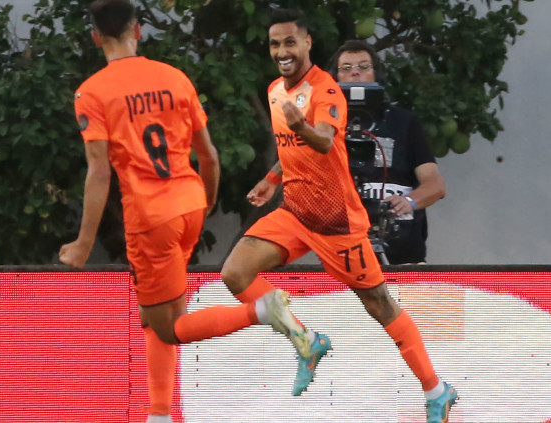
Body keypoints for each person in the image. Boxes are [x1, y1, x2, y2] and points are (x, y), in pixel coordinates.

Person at [58, 2, 307, 422]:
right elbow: (209, 156)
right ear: (138, 30)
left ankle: (262, 310)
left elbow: (99, 172)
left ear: (96, 37)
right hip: (190, 203)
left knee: (169, 327)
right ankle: (159, 413)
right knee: (152, 311)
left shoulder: (92, 92)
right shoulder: (174, 78)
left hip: (150, 218)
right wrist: (202, 203)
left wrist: (83, 244)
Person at [218, 8, 458, 422]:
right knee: (234, 274)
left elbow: (324, 142)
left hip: (336, 223)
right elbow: (290, 149)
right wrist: (271, 180)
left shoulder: (327, 91)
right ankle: (306, 340)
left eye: (290, 42)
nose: (282, 51)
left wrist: (301, 126)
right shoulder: (275, 90)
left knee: (379, 304)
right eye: (275, 44)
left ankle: (436, 390)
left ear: (307, 43)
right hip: (295, 212)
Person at [328, 39, 447, 264]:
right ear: (335, 78)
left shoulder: (404, 122)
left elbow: (436, 185)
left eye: (363, 66)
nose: (355, 73)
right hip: (346, 258)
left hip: (404, 258)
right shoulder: (325, 126)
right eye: (346, 68)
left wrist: (409, 201)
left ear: (377, 74)